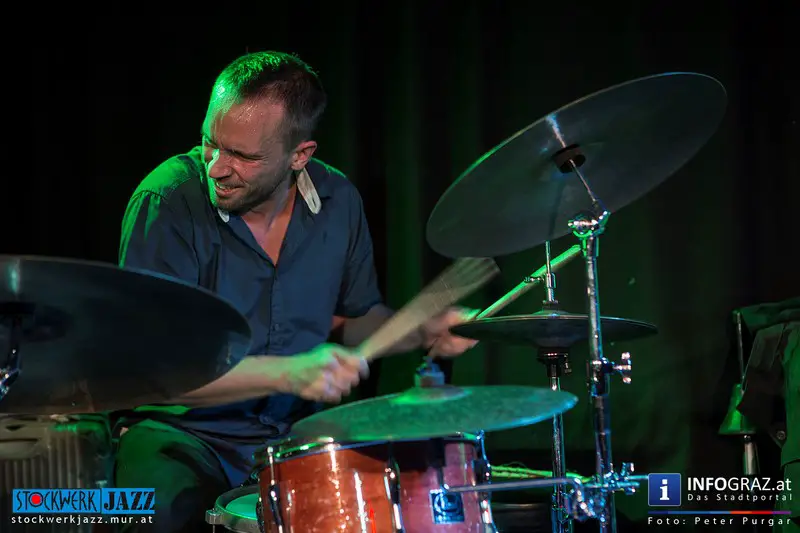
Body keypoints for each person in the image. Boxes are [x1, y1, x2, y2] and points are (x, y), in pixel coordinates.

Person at [112, 50, 478, 532]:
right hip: (183, 431)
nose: (216, 167)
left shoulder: (338, 200)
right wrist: (287, 373)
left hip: (295, 434)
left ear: (300, 155)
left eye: (243, 156)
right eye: (209, 143)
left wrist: (420, 330)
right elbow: (159, 370)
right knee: (157, 512)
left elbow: (350, 320)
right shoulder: (167, 202)